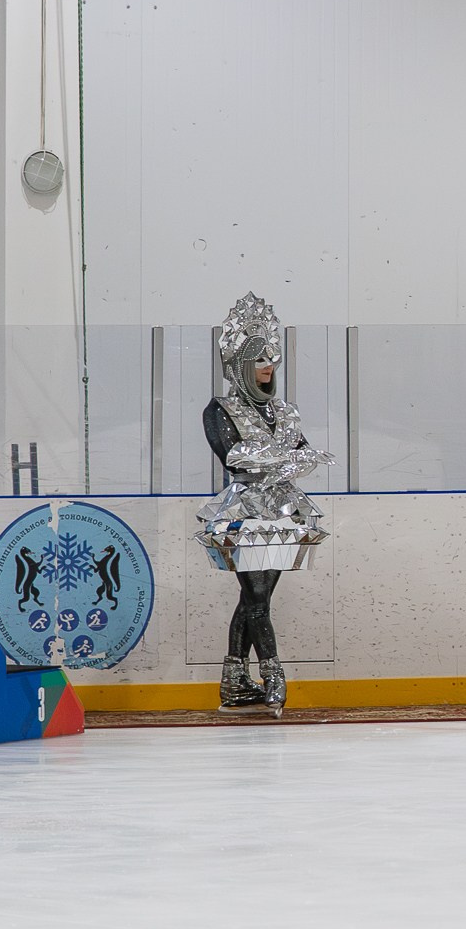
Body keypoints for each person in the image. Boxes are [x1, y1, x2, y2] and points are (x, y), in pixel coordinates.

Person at [197, 292, 327, 712]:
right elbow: (233, 457)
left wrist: (285, 460)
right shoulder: (221, 408)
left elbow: (304, 453)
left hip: (284, 513)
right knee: (255, 597)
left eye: (272, 357)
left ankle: (234, 682)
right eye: (258, 358)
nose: (268, 365)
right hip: (243, 514)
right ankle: (273, 673)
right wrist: (287, 460)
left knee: (257, 599)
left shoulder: (286, 412)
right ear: (239, 365)